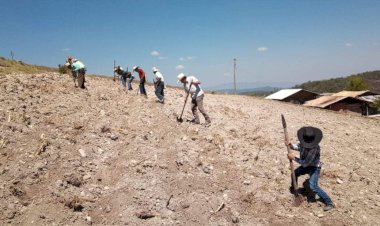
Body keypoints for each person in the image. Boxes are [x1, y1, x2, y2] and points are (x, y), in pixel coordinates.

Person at [287, 126, 335, 211]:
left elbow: (305, 163)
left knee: (313, 186)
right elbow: (298, 147)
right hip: (307, 164)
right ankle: (294, 189)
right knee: (294, 173)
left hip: (314, 167)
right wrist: (290, 145)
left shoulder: (315, 148)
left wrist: (293, 158)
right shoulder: (303, 141)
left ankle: (329, 202)